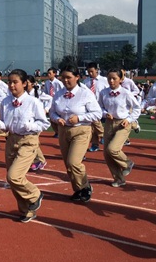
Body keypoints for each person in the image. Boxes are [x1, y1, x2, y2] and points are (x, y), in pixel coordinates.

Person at [0, 69, 50, 223]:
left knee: (14, 176)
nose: (11, 85)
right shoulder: (6, 102)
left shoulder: (33, 102)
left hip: (28, 141)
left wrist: (30, 126)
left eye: (15, 82)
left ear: (25, 83)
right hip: (11, 140)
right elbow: (4, 122)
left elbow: (44, 123)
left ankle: (35, 195)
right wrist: (1, 125)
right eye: (9, 82)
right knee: (13, 181)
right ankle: (26, 210)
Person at [50, 65, 102, 203]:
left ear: (77, 77)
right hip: (63, 131)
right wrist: (56, 118)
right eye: (63, 77)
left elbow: (97, 113)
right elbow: (52, 111)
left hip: (81, 130)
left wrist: (80, 118)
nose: (65, 80)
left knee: (74, 162)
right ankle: (78, 189)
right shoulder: (58, 94)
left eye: (69, 77)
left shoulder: (85, 94)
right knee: (68, 164)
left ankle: (85, 187)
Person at [98, 69, 140, 187]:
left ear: (121, 80)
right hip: (109, 123)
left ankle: (128, 163)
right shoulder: (103, 92)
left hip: (123, 124)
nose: (111, 81)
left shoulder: (126, 93)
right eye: (109, 78)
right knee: (107, 153)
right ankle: (119, 178)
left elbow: (137, 108)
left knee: (112, 149)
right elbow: (99, 107)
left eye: (114, 78)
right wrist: (105, 113)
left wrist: (129, 120)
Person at [84, 62, 108, 152]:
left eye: (92, 71)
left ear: (97, 70)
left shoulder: (104, 80)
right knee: (92, 126)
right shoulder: (86, 82)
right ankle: (95, 144)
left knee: (95, 122)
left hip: (100, 106)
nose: (90, 74)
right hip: (89, 107)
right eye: (88, 72)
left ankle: (103, 135)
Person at [26, 75, 48, 171]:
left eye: (27, 82)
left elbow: (50, 99)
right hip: (28, 121)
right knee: (31, 141)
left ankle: (40, 160)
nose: (25, 84)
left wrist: (46, 109)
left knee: (33, 142)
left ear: (32, 83)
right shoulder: (24, 94)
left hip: (37, 121)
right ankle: (37, 160)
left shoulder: (38, 93)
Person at [43, 68, 63, 137]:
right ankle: (56, 132)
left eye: (50, 73)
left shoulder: (58, 83)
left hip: (57, 101)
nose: (48, 75)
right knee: (51, 117)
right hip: (50, 101)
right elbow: (45, 92)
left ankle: (60, 132)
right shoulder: (47, 83)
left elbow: (62, 92)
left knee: (57, 117)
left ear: (54, 74)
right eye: (48, 73)